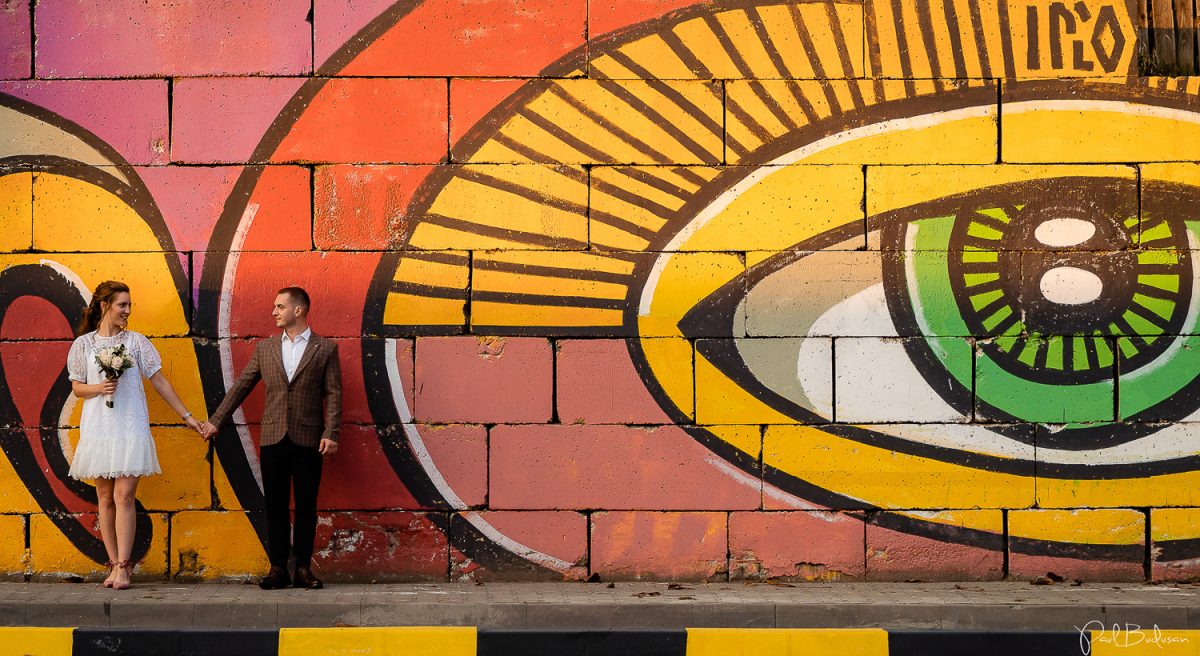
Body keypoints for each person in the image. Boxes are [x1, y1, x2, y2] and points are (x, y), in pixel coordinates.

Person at [199, 287, 341, 590]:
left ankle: (303, 568)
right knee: (274, 506)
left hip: (309, 439)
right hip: (274, 437)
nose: (274, 312)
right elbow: (242, 386)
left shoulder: (325, 348)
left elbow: (333, 393)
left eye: (280, 306)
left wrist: (331, 433)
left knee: (306, 506)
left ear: (298, 310)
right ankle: (277, 568)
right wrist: (216, 422)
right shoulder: (266, 349)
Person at [67, 280, 204, 590]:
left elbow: (160, 382)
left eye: (129, 305)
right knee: (104, 496)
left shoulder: (137, 343)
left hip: (130, 426)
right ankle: (113, 565)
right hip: (98, 428)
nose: (128, 310)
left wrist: (187, 417)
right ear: (104, 306)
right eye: (122, 305)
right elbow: (77, 387)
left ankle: (126, 568)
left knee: (123, 495)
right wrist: (99, 388)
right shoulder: (84, 345)